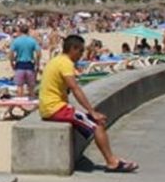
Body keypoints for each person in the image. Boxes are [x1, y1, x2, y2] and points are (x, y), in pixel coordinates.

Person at [39, 35, 138, 173]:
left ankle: (112, 160)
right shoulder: (65, 63)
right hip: (55, 109)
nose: (81, 55)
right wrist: (92, 112)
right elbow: (75, 88)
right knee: (97, 124)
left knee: (91, 120)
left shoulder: (56, 60)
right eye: (80, 51)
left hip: (49, 107)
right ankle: (112, 162)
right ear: (73, 49)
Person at [10, 24, 41, 97]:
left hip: (20, 64)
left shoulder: (16, 41)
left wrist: (12, 63)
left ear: (20, 31)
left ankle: (20, 104)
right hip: (30, 64)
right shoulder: (32, 41)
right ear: (28, 31)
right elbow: (38, 53)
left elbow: (11, 53)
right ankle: (31, 103)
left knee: (20, 86)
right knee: (31, 87)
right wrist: (37, 63)